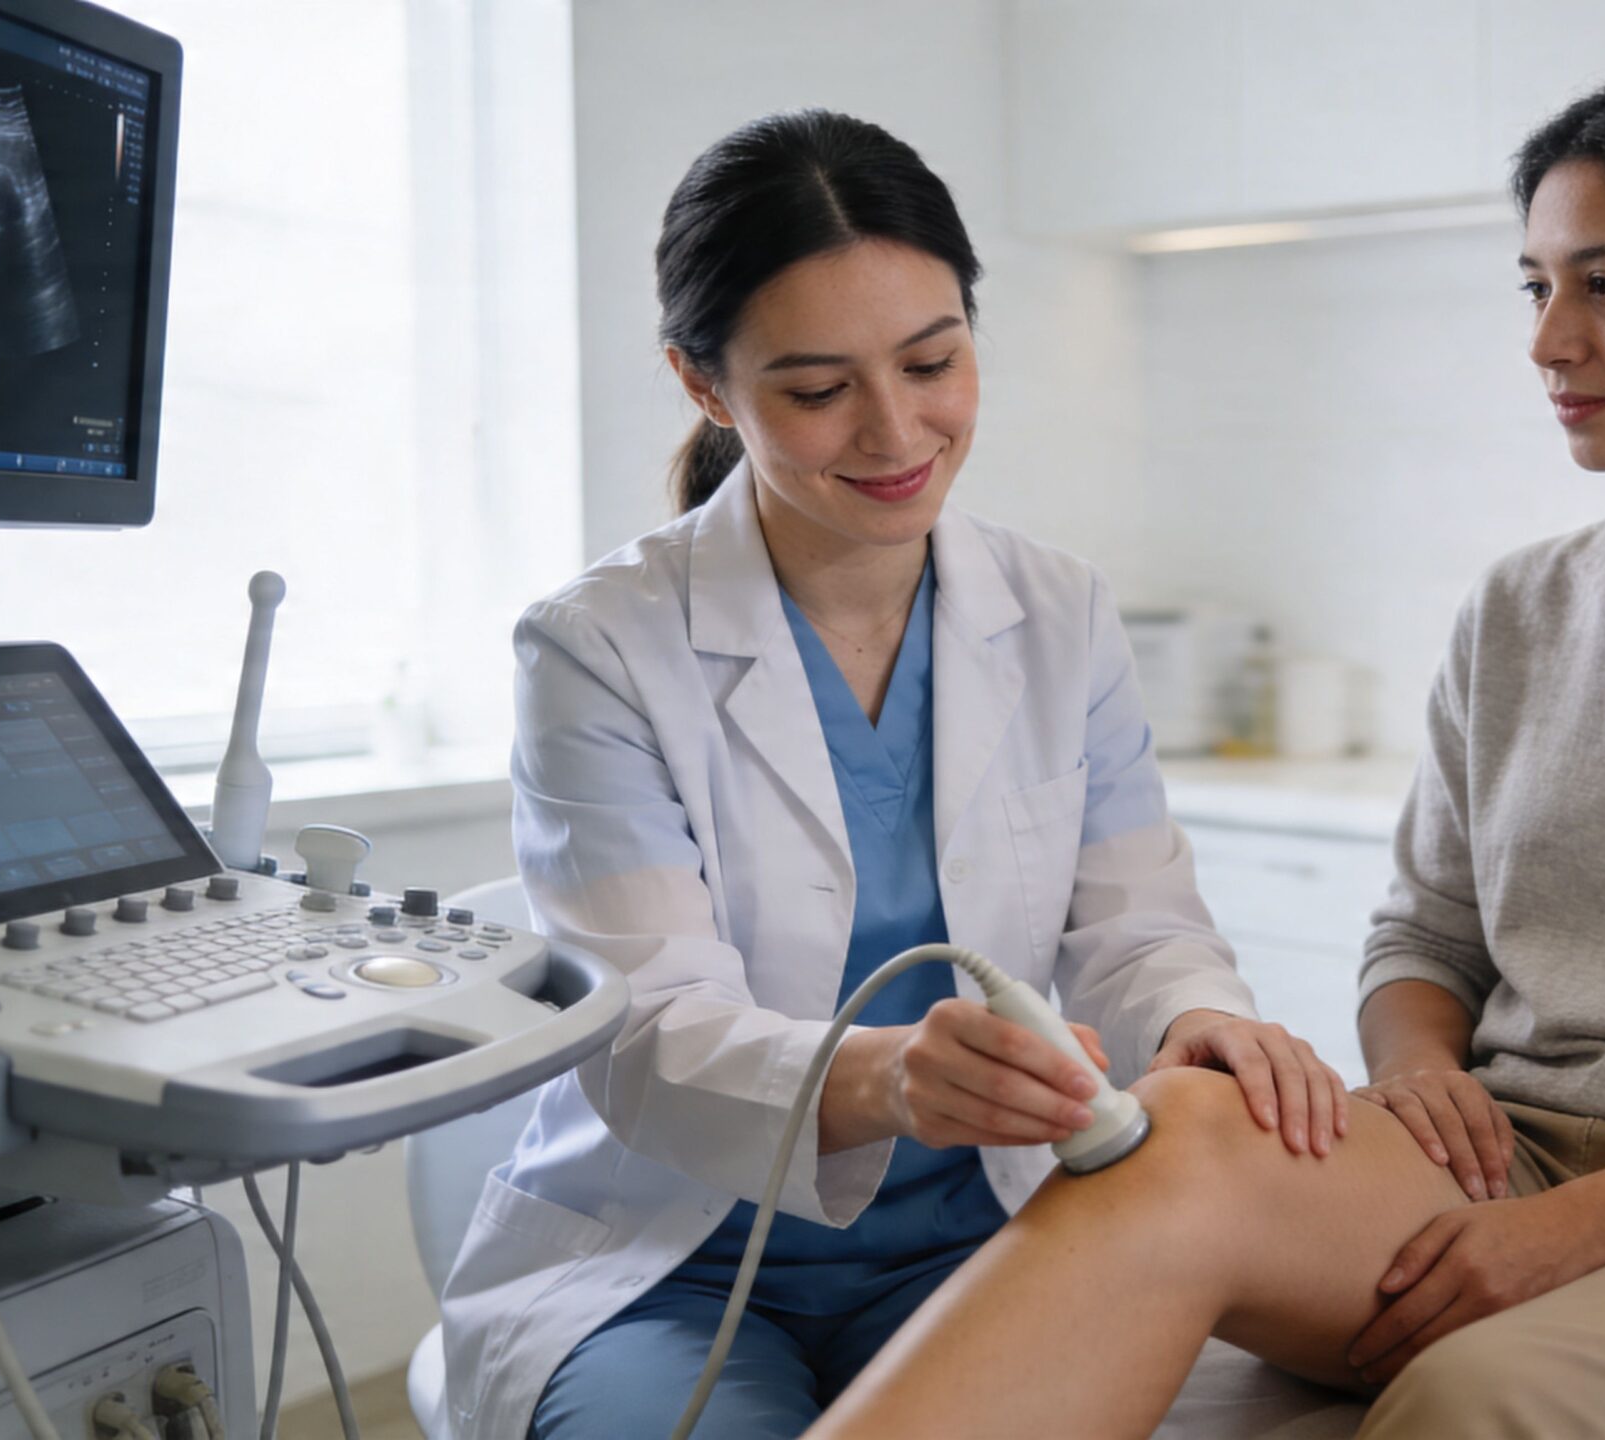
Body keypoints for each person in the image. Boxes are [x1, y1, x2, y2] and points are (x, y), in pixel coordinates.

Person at [803, 57, 1605, 1440]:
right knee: (1174, 1124)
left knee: (1479, 1396)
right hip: (1503, 1154)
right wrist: (1418, 1075)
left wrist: (1574, 1234)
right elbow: (1424, 937)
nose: (1549, 341)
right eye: (1537, 289)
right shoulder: (1522, 607)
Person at [431, 110, 1350, 1440]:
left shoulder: (1060, 611)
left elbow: (1137, 925)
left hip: (985, 1239)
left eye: (933, 362)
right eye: (819, 391)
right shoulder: (600, 646)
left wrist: (1197, 1018)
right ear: (705, 385)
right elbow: (647, 1034)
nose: (897, 430)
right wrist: (890, 1080)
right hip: (670, 1264)